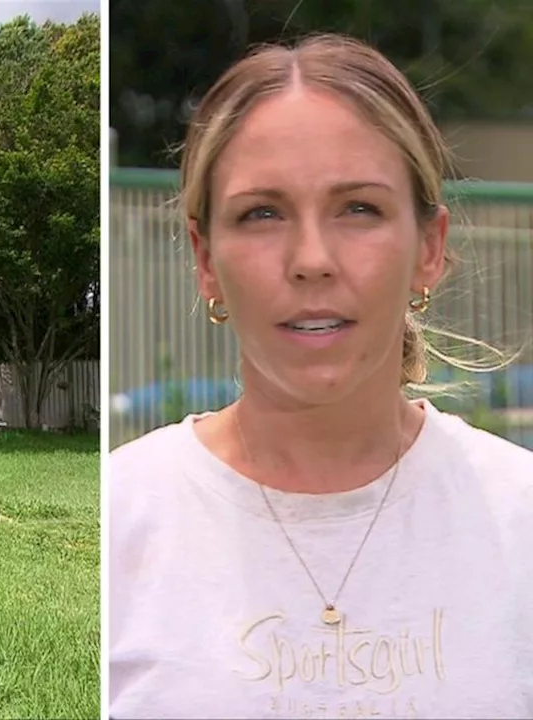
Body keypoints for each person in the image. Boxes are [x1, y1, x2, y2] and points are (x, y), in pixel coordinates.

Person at [108, 33, 533, 719]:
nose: (312, 259)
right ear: (206, 258)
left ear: (429, 247)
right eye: (262, 213)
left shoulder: (519, 518)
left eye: (359, 208)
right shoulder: (122, 517)